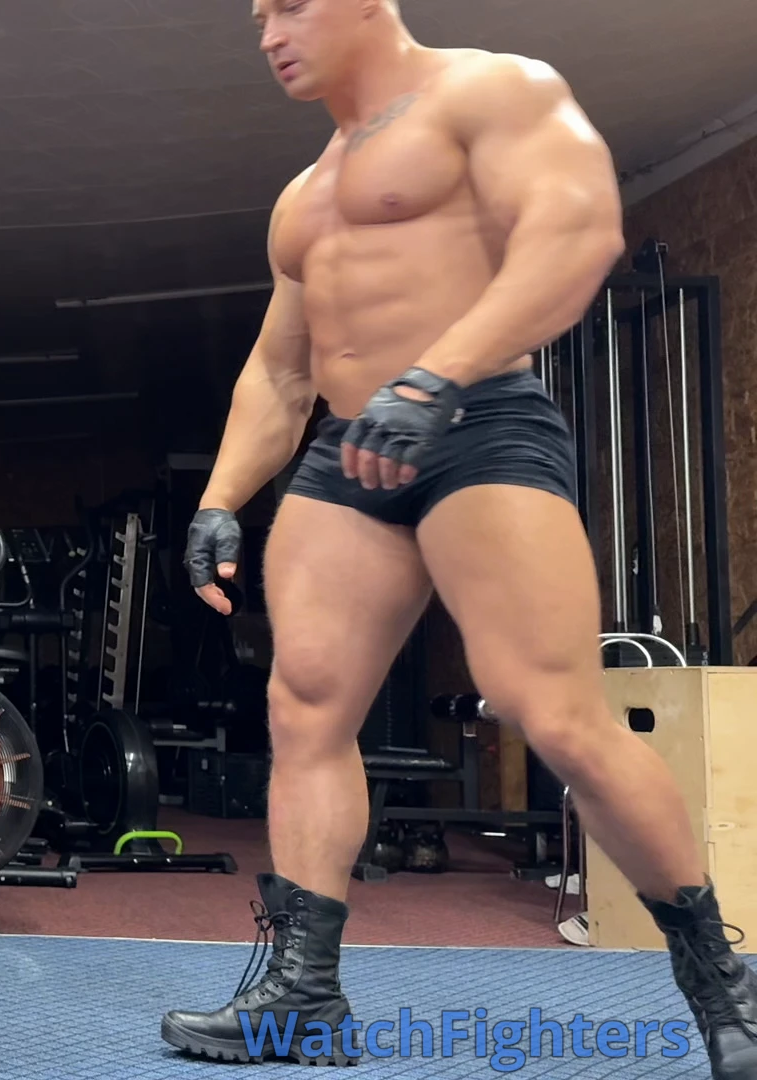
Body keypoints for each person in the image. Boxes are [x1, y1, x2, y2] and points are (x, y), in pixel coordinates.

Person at [169, 1, 757, 1076]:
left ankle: (723, 983)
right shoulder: (303, 196)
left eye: (290, 5)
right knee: (305, 707)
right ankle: (304, 994)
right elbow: (282, 367)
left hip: (477, 420)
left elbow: (576, 235)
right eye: (258, 15)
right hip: (349, 446)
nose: (269, 33)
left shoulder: (489, 90)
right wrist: (220, 498)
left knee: (552, 710)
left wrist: (435, 375)